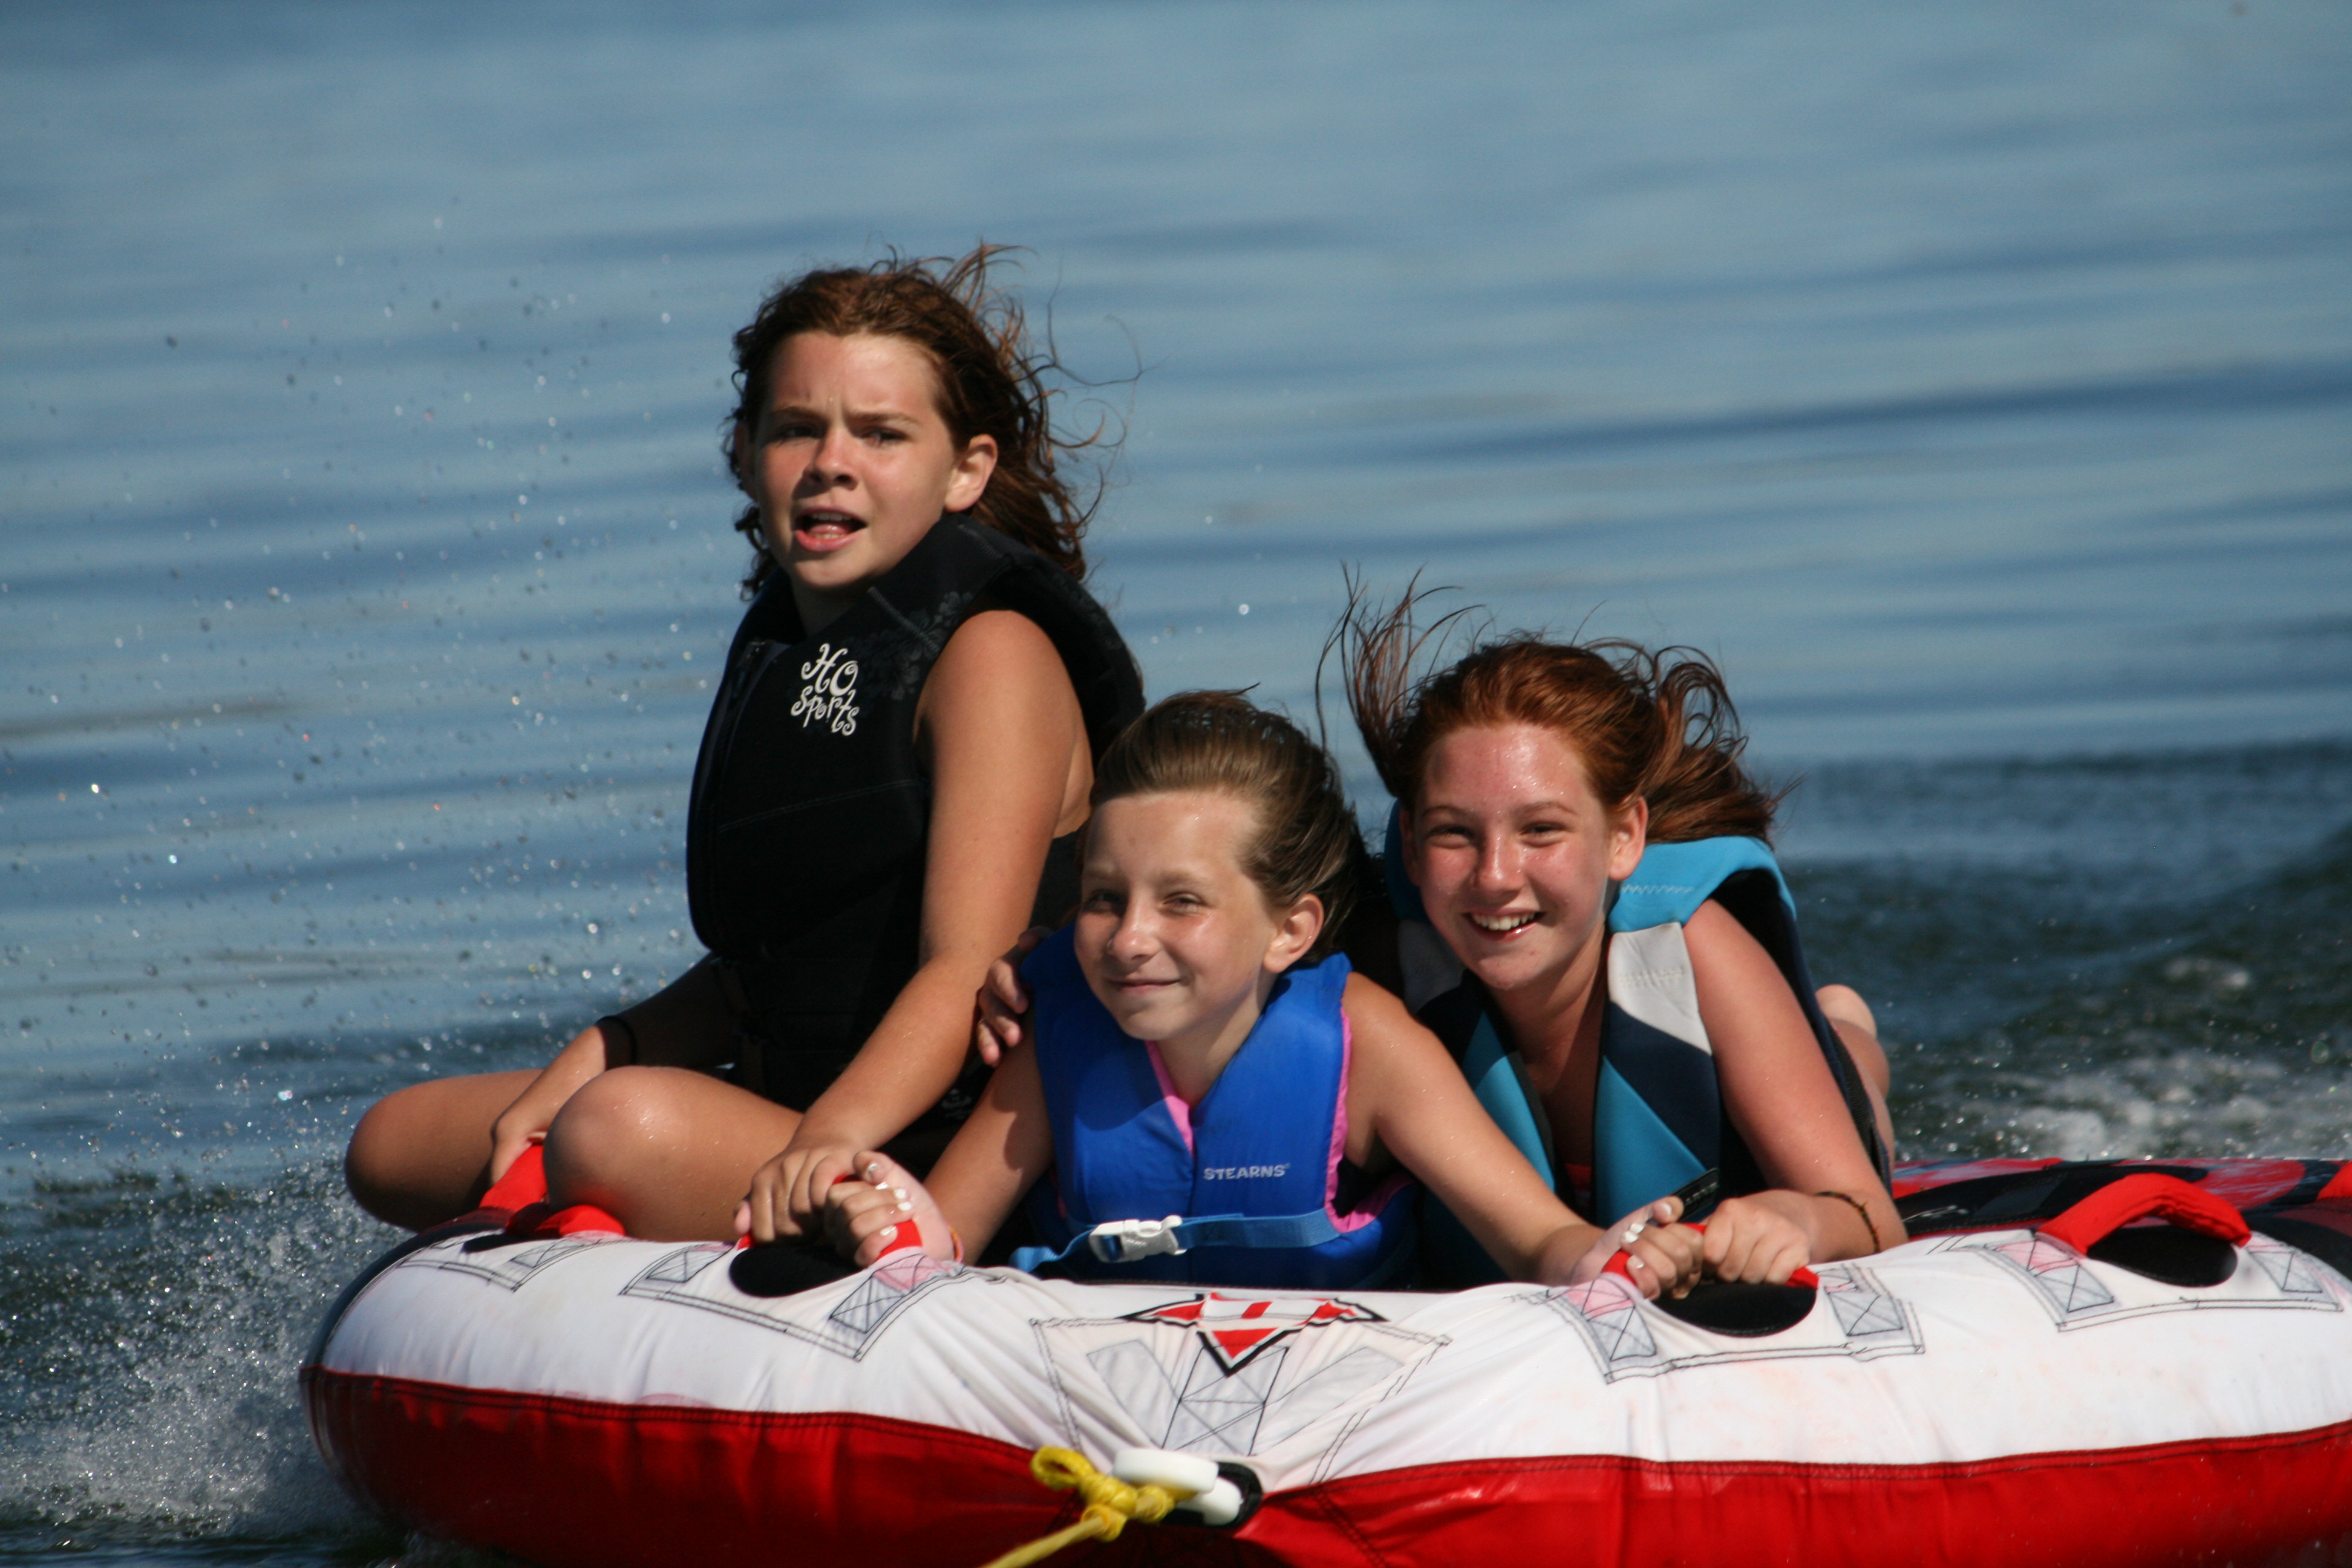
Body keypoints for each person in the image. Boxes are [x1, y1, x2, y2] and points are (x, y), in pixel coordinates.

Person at [344, 249, 1144, 1241]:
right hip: (778, 1103)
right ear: (745, 448)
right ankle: (625, 1202)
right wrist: (611, 1042)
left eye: (881, 434)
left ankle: (652, 1206)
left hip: (920, 1145)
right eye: (798, 428)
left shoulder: (993, 656)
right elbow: (767, 969)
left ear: (966, 470)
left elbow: (960, 971)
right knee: (390, 1144)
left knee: (612, 1127)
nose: (831, 462)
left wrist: (827, 1139)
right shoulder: (787, 653)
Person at [809, 691, 1704, 1299]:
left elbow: (1534, 1237)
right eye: (1104, 899)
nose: (1128, 939)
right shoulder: (1060, 1039)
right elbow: (947, 1244)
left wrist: (1608, 1258)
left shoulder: (1366, 1046)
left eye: (1182, 902)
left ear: (1291, 930)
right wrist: (891, 1225)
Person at [1338, 596, 1902, 1287]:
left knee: (1851, 1072)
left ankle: (1846, 1028)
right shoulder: (1384, 970)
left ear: (1625, 837)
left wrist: (1801, 1219)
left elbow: (1871, 1214)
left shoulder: (1693, 954)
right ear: (1410, 844)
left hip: (1755, 1057)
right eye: (1454, 832)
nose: (1495, 876)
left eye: (1541, 830)